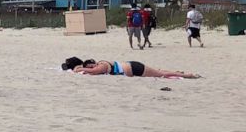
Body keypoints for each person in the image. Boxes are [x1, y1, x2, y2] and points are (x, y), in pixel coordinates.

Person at [61, 57, 199, 79]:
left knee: (160, 74)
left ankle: (187, 75)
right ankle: (178, 72)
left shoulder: (101, 66)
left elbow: (92, 71)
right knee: (159, 72)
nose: (92, 67)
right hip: (133, 67)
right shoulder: (102, 63)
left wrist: (79, 69)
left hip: (135, 69)